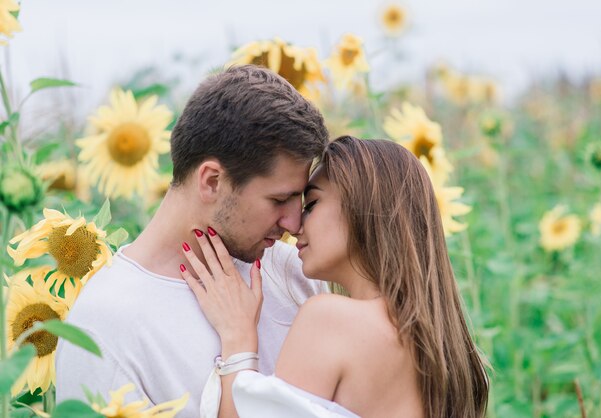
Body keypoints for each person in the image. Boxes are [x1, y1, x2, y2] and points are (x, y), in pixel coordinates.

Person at [55, 65, 329, 418]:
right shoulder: (104, 328)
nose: (294, 223)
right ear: (212, 181)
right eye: (278, 200)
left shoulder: (291, 271)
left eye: (300, 199)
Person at [180, 136, 490, 418]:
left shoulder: (330, 318)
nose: (295, 225)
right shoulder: (448, 353)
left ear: (363, 205)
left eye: (312, 204)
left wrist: (238, 340)